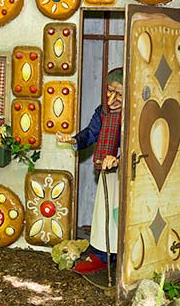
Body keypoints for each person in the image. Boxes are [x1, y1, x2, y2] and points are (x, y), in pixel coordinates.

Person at [57, 67, 123, 275]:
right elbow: (92, 133)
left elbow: (138, 142)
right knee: (105, 212)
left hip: (129, 173)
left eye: (119, 94)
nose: (112, 98)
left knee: (120, 214)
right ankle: (103, 254)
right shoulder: (102, 111)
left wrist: (119, 159)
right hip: (107, 170)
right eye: (109, 91)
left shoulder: (136, 114)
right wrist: (75, 139)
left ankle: (124, 255)